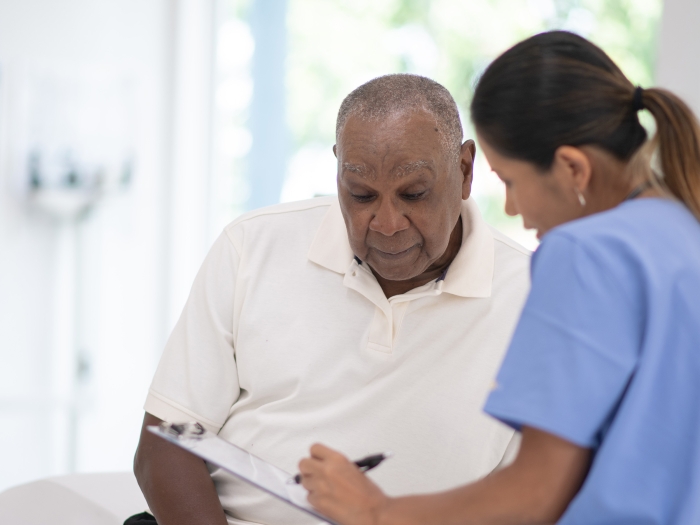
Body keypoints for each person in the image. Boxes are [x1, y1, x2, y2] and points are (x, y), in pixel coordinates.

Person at [297, 31, 700, 525]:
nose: (510, 207)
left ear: (572, 168)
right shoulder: (683, 232)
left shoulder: (584, 253)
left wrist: (377, 511)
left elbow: (534, 494)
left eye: (509, 181)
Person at [133, 74, 531, 525]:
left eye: (413, 194)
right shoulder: (252, 246)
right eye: (361, 195)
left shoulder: (535, 299)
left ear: (464, 171)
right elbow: (166, 441)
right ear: (339, 169)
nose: (386, 223)